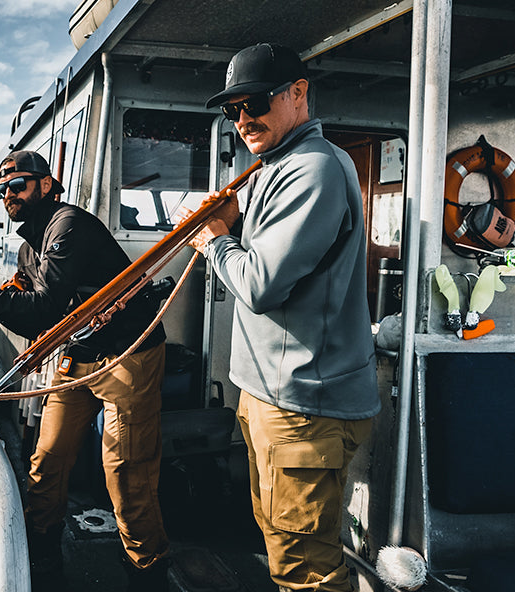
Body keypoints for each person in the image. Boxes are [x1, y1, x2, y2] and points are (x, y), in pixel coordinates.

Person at [0, 150, 173, 588]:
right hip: (76, 358)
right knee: (47, 458)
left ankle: (147, 569)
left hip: (127, 356)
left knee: (126, 471)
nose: (8, 195)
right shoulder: (28, 245)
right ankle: (43, 559)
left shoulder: (68, 226)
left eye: (17, 185)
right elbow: (25, 295)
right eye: (2, 190)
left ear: (45, 183)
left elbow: (42, 310)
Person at [185, 42, 378, 592]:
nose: (244, 119)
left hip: (303, 406)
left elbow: (259, 284)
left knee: (305, 568)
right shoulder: (275, 166)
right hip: (271, 397)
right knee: (277, 535)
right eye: (233, 110)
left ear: (298, 93)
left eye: (255, 103)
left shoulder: (312, 169)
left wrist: (215, 240)